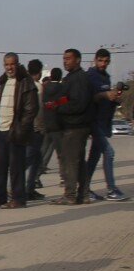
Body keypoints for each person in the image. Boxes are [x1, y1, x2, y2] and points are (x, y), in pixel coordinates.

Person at [0, 53, 38, 209]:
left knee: (16, 168)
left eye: (12, 64)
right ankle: (0, 198)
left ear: (18, 64)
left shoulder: (26, 82)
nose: (9, 68)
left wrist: (21, 129)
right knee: (0, 168)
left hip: (16, 132)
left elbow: (31, 110)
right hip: (2, 130)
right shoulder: (4, 82)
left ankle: (18, 199)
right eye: (6, 65)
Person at [49, 48, 93, 204]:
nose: (65, 61)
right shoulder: (72, 78)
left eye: (68, 58)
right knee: (78, 161)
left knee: (70, 161)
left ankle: (70, 195)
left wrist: (58, 108)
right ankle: (83, 194)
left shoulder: (79, 78)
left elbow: (78, 104)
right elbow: (68, 98)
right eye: (64, 58)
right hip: (74, 126)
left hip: (75, 126)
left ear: (78, 60)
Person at [82, 48, 127, 201]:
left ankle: (84, 188)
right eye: (100, 61)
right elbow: (88, 99)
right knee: (109, 153)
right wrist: (103, 95)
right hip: (93, 122)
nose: (103, 64)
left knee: (94, 157)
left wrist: (114, 98)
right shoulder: (90, 77)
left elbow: (106, 98)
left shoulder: (106, 77)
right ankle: (111, 189)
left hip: (103, 122)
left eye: (106, 61)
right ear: (95, 60)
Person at [36, 66, 63, 195]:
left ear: (51, 76)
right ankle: (64, 178)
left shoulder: (44, 88)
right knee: (61, 154)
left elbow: (42, 105)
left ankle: (36, 177)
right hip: (58, 125)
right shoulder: (62, 88)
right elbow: (64, 102)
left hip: (46, 123)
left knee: (42, 152)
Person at [23, 59, 46, 200]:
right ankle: (14, 188)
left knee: (36, 160)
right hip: (34, 129)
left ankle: (30, 188)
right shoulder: (37, 87)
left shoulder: (24, 85)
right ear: (39, 72)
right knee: (28, 160)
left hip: (33, 128)